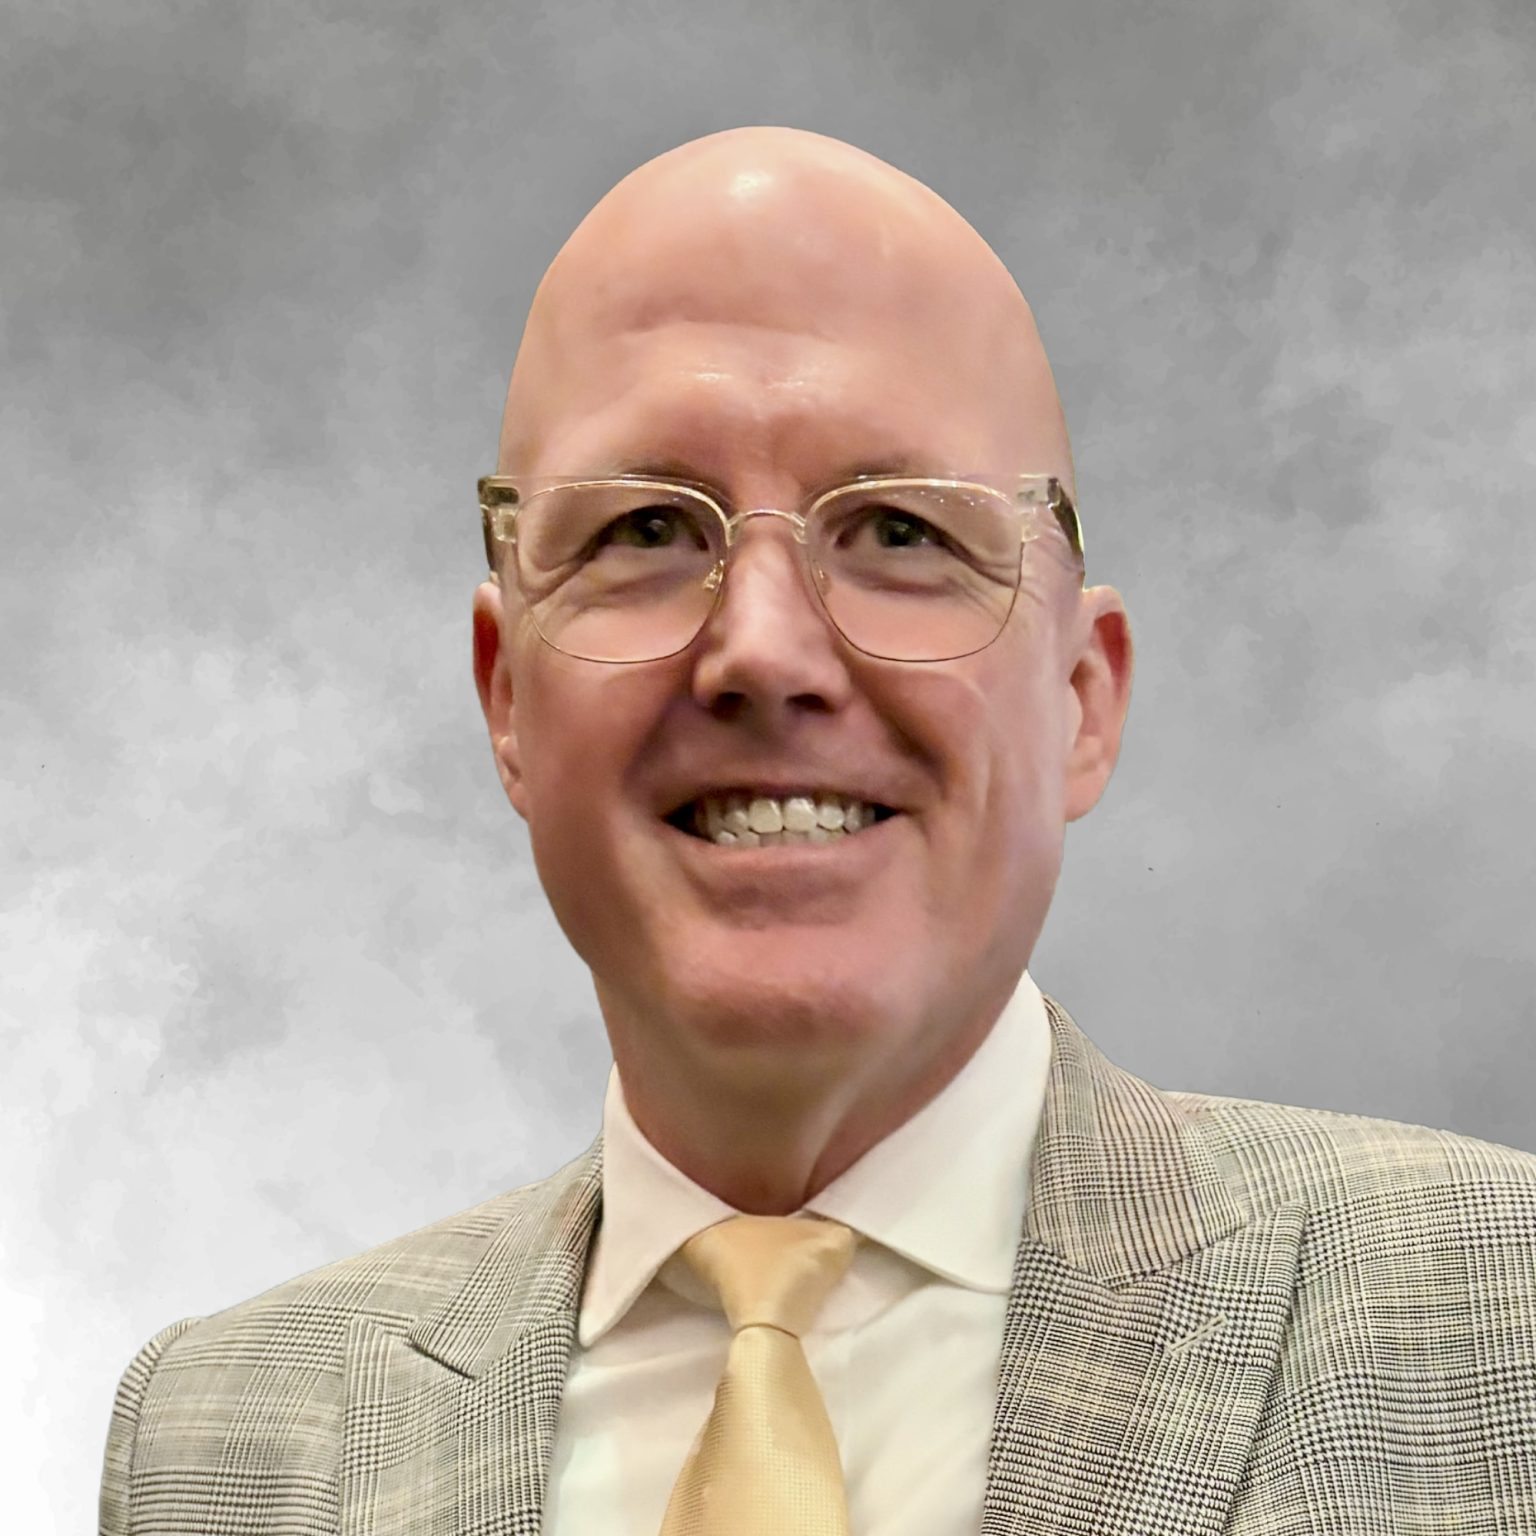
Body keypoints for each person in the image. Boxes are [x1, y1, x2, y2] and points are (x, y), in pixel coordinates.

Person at [100, 126, 1536, 1535]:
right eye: (645, 530)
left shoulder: (1500, 1320)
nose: (763, 651)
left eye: (901, 530)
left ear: (1081, 700)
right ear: (508, 700)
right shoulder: (219, 1447)